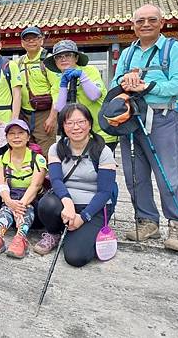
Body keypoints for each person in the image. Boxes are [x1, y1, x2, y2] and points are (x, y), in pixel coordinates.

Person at [111, 4, 178, 250]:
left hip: (163, 118)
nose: (146, 24)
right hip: (131, 119)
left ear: (162, 23)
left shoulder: (174, 50)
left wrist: (147, 85)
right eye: (140, 21)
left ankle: (177, 223)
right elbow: (115, 81)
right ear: (133, 25)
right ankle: (147, 220)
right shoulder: (128, 53)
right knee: (135, 174)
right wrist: (124, 81)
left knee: (168, 174)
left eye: (152, 20)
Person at [34, 103, 118, 267]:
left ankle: (80, 232)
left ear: (89, 124)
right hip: (66, 203)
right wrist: (67, 203)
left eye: (81, 122)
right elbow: (56, 180)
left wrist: (83, 217)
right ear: (63, 126)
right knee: (46, 204)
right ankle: (54, 233)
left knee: (75, 257)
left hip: (94, 207)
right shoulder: (56, 148)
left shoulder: (103, 151)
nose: (76, 127)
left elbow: (105, 192)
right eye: (69, 123)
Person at [0, 119, 47, 258]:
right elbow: (2, 184)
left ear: (28, 136)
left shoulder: (38, 159)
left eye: (20, 133)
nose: (16, 137)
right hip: (11, 198)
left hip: (31, 201)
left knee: (26, 207)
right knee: (5, 207)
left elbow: (35, 186)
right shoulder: (0, 160)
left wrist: (20, 206)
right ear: (6, 138)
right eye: (11, 134)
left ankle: (20, 238)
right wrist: (10, 202)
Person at [44, 40, 117, 152]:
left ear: (76, 58)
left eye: (68, 55)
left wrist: (82, 77)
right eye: (59, 57)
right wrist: (63, 85)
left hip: (103, 131)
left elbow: (94, 95)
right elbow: (60, 109)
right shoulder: (57, 84)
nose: (63, 59)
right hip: (78, 134)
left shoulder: (89, 71)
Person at [16, 26, 59, 154]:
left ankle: (49, 174)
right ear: (22, 43)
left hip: (44, 114)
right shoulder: (19, 62)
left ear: (41, 40)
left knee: (46, 151)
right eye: (27, 39)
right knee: (27, 151)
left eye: (35, 38)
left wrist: (52, 117)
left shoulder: (49, 60)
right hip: (24, 114)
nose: (31, 42)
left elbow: (57, 90)